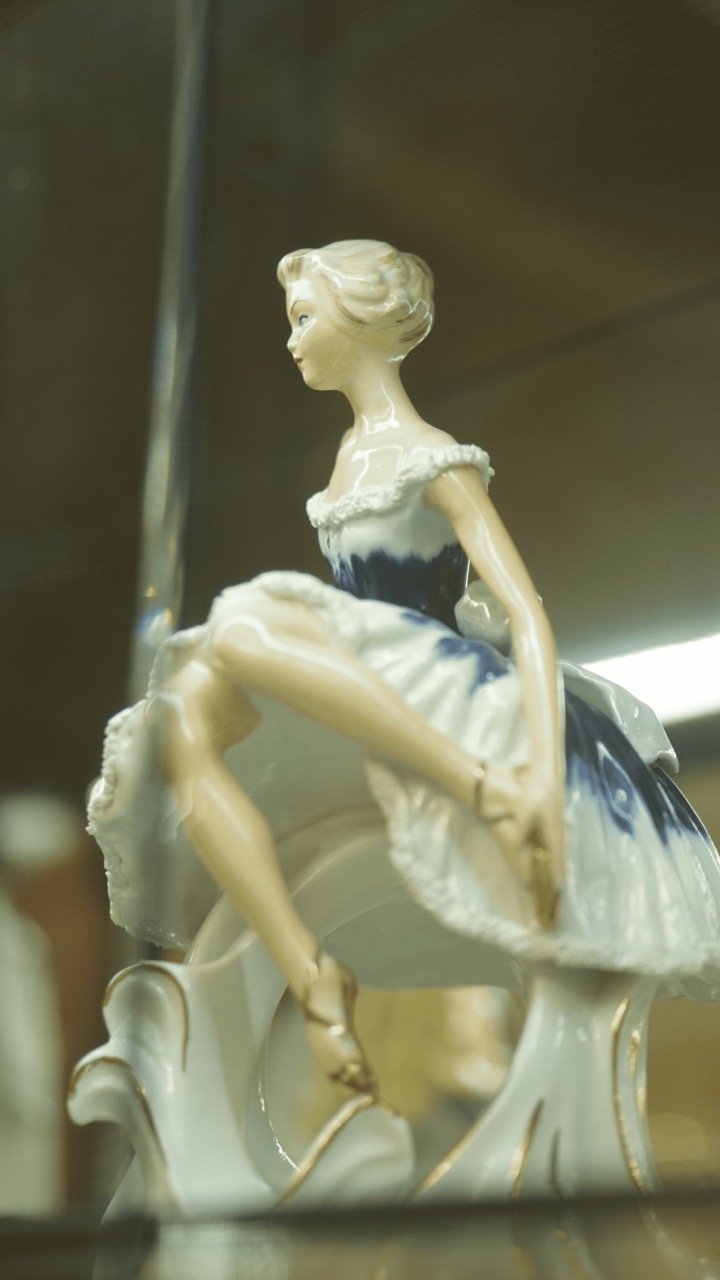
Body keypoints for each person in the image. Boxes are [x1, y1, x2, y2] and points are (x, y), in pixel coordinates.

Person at [90, 240, 720, 1102]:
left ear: (357, 320)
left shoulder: (433, 456)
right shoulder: (348, 457)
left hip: (429, 669)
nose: (292, 341)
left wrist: (542, 767)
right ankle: (309, 974)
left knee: (237, 623)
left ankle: (482, 788)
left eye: (304, 319)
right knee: (182, 715)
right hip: (365, 665)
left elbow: (527, 612)